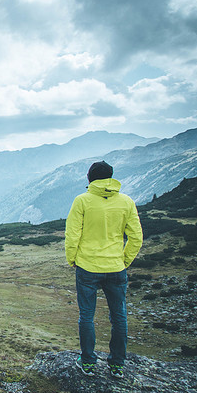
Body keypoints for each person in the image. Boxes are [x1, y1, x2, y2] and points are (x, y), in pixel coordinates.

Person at [65, 161, 142, 378]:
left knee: (87, 316)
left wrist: (72, 258)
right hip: (116, 268)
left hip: (87, 267)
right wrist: (124, 261)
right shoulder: (126, 202)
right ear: (111, 177)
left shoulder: (82, 201)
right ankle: (117, 364)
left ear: (90, 178)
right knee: (119, 316)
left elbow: (72, 235)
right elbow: (136, 237)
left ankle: (88, 362)